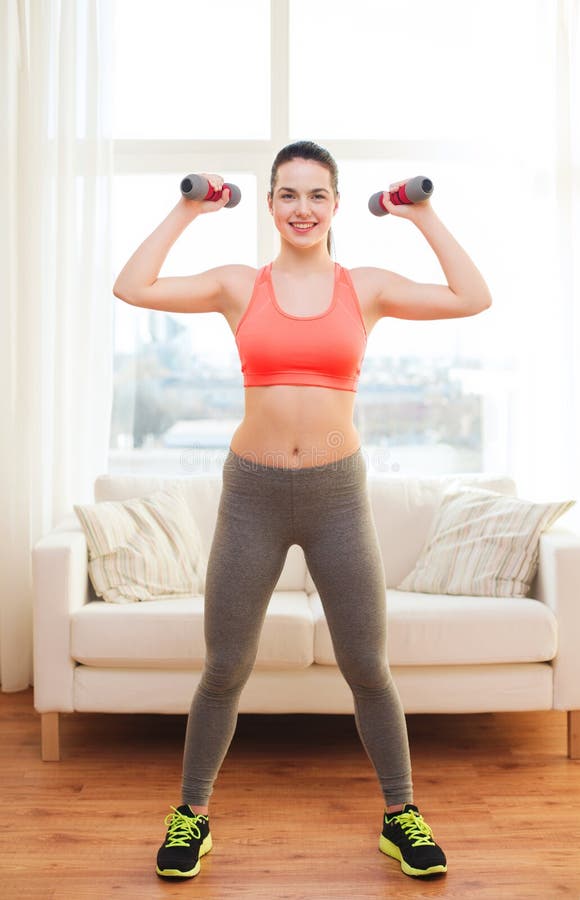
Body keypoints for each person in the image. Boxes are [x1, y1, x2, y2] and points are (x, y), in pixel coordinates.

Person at [113, 140, 492, 881]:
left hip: (337, 498)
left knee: (367, 667)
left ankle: (401, 814)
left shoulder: (367, 286)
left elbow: (473, 297)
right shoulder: (237, 284)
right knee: (225, 666)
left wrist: (423, 214)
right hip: (252, 495)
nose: (302, 209)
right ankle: (191, 814)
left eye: (317, 195)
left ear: (337, 206)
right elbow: (132, 286)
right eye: (288, 194)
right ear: (270, 205)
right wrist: (188, 208)